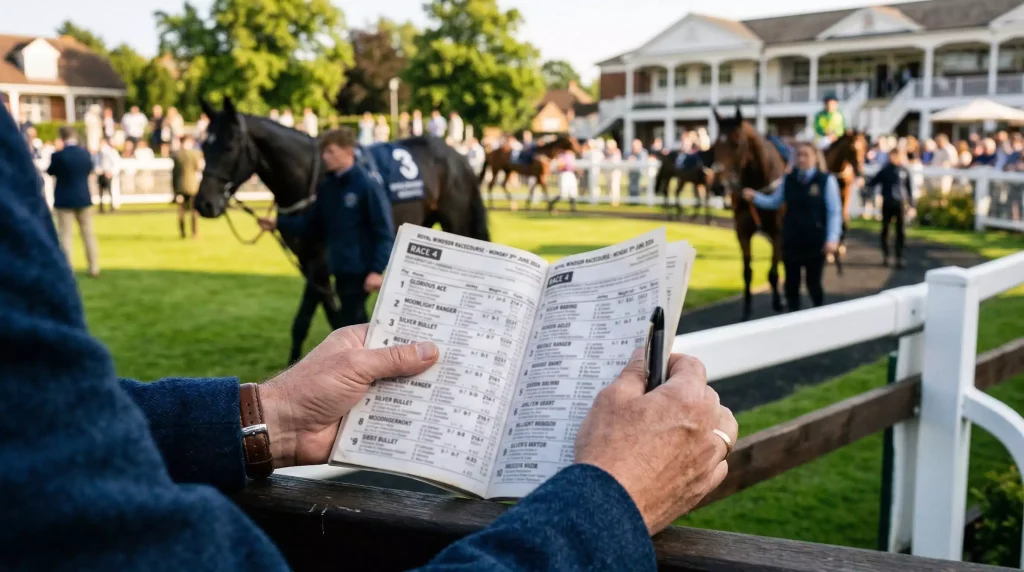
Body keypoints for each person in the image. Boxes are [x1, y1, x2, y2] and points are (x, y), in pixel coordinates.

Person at [258, 128, 394, 327]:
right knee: (352, 323)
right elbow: (312, 225)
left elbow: (384, 232)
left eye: (330, 151)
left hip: (361, 269)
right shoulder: (328, 187)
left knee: (351, 322)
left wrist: (376, 270)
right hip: (339, 267)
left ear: (348, 151)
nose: (324, 157)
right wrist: (279, 223)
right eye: (324, 152)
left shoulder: (367, 185)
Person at [743, 142, 842, 311]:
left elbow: (834, 211)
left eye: (806, 155)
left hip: (815, 241)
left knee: (814, 284)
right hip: (792, 240)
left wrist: (832, 238)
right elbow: (774, 201)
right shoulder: (788, 180)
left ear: (815, 158)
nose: (802, 159)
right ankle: (793, 319)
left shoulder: (826, 181)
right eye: (799, 155)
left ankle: (819, 315)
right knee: (791, 285)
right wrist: (756, 197)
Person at [47, 126, 100, 278]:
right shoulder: (84, 154)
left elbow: (51, 171)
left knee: (65, 236)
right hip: (83, 198)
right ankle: (94, 267)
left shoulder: (58, 155)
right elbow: (89, 170)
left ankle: (67, 269)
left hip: (64, 200)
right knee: (88, 235)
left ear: (61, 138)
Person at [866, 149, 915, 268]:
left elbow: (909, 189)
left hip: (900, 203)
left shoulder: (904, 170)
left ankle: (899, 257)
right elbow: (873, 181)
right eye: (892, 156)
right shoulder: (885, 170)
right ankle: (886, 256)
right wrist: (864, 181)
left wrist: (912, 205)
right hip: (887, 202)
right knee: (885, 230)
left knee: (900, 231)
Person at [172, 135, 203, 239]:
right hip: (193, 186)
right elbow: (199, 167)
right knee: (194, 211)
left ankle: (182, 233)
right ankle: (194, 233)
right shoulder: (196, 154)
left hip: (180, 186)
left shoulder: (177, 155)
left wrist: (174, 190)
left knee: (181, 211)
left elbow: (174, 174)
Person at [547, 147, 578, 213]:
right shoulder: (561, 155)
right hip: (564, 174)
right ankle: (551, 204)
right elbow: (559, 165)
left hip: (571, 173)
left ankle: (573, 208)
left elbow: (573, 165)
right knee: (563, 193)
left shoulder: (571, 155)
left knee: (573, 191)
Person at [94, 138, 120, 214]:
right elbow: (96, 163)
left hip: (108, 174)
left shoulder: (110, 152)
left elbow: (115, 162)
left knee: (110, 190)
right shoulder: (99, 153)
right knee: (100, 191)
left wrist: (111, 172)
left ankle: (112, 206)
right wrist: (98, 169)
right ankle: (101, 207)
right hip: (101, 173)